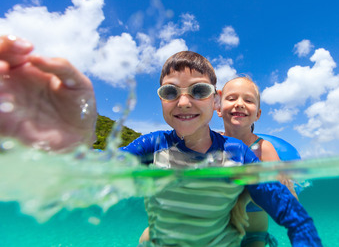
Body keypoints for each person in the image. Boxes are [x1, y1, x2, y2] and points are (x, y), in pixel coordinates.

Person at [0, 35, 321, 246]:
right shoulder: (151, 146)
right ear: (162, 101)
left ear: (214, 103)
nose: (183, 102)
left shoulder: (237, 153)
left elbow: (295, 218)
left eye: (198, 91)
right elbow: (96, 173)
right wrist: (71, 148)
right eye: (171, 92)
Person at [217, 77, 298, 247]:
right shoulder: (212, 144)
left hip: (254, 231)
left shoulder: (263, 148)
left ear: (257, 114)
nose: (239, 104)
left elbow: (286, 193)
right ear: (218, 108)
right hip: (221, 229)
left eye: (248, 100)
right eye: (231, 98)